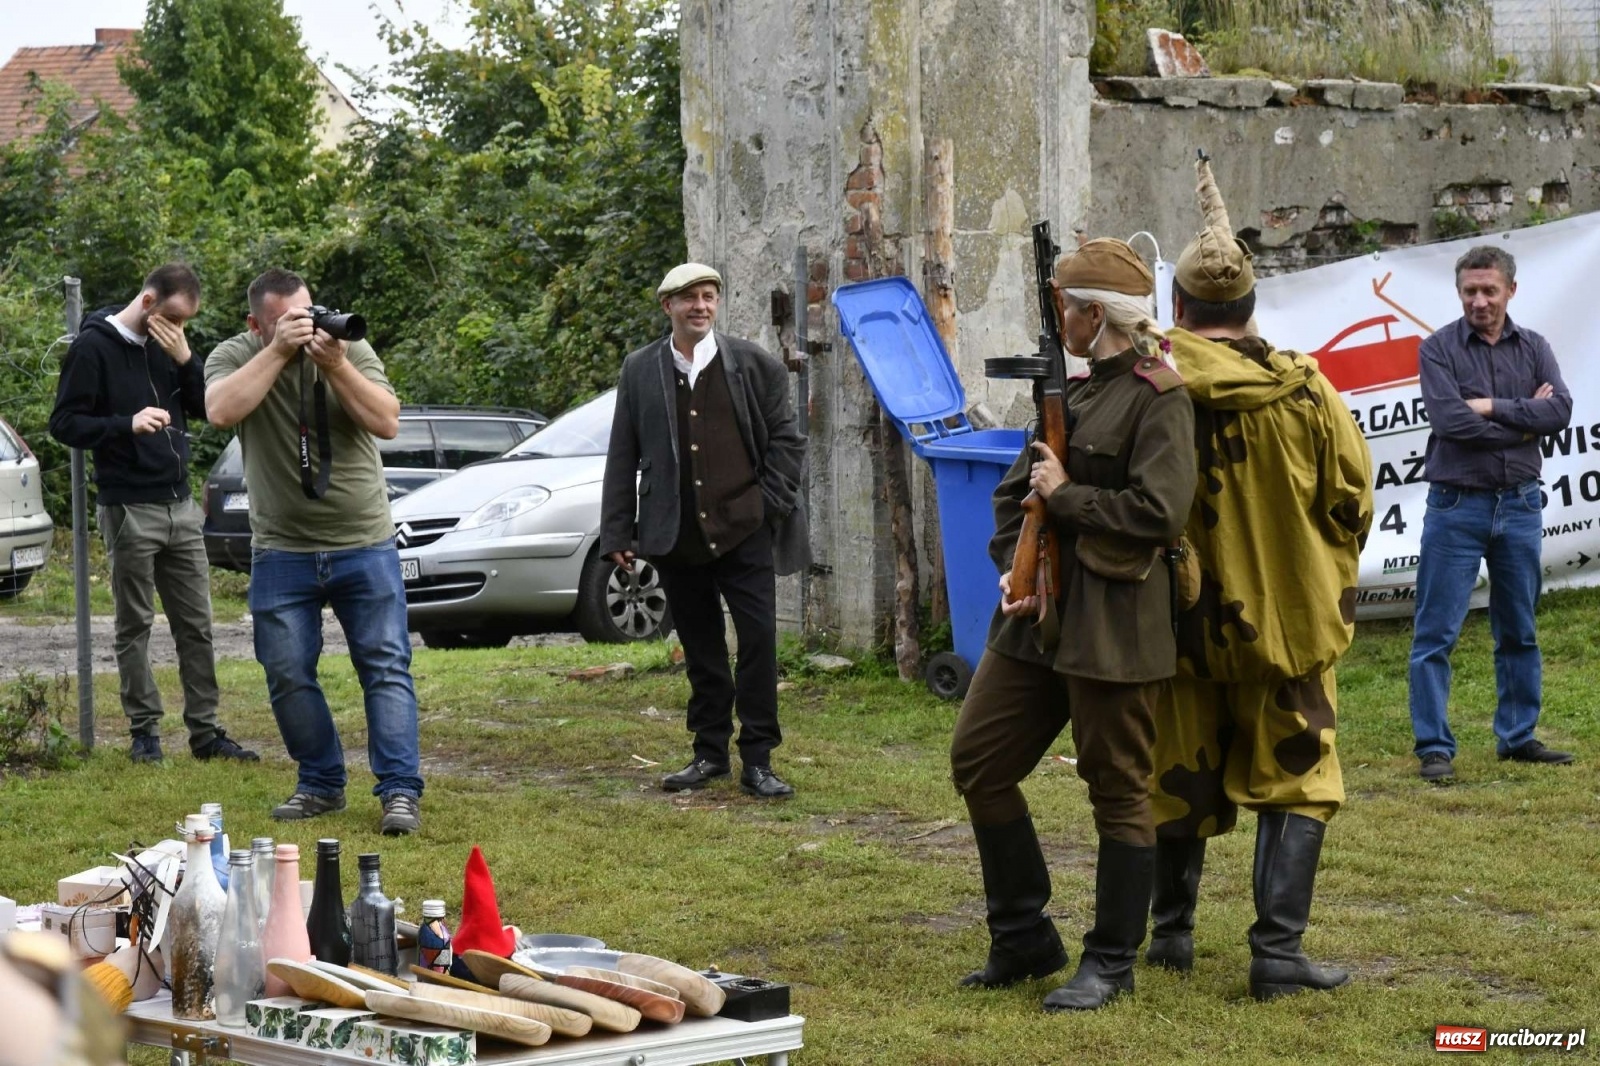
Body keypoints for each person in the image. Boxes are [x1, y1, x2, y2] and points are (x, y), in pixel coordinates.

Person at [1145, 154, 1373, 1002]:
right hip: (1288, 628)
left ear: (1178, 308)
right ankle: (1276, 954)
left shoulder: (1150, 385)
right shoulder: (1306, 393)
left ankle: (1170, 936)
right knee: (1298, 779)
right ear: (1248, 308)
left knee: (1176, 775)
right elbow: (1353, 501)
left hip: (1178, 630)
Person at [950, 238, 1196, 1012]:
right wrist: (1014, 567)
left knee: (1117, 788)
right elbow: (1013, 495)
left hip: (1116, 621)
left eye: (1067, 307)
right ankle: (1023, 936)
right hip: (1039, 616)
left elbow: (1160, 513)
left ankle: (1111, 962)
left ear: (1097, 314)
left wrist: (1068, 500)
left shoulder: (1160, 397)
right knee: (979, 760)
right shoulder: (1075, 393)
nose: (1060, 319)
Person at [204, 268, 423, 835]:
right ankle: (322, 783)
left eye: (308, 313)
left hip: (363, 540)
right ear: (256, 324)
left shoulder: (346, 346)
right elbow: (221, 411)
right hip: (282, 548)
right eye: (286, 321)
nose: (304, 326)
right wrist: (279, 351)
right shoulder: (234, 354)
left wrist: (337, 365)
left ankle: (400, 791)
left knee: (385, 666)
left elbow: (387, 421)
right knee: (285, 672)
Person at [600, 263, 809, 799]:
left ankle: (758, 759)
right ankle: (709, 753)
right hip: (677, 535)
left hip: (744, 531)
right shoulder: (639, 369)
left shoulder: (755, 365)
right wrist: (617, 531)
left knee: (758, 641)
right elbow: (623, 452)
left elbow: (788, 442)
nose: (700, 306)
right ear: (667, 305)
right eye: (689, 297)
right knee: (701, 647)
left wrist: (765, 506)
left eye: (709, 296)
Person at [48, 264, 258, 765]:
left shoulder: (171, 346)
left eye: (184, 322)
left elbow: (208, 409)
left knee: (197, 625)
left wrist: (186, 358)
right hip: (128, 506)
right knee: (135, 624)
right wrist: (127, 424)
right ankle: (145, 733)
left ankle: (206, 733)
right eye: (172, 318)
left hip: (180, 505)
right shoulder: (93, 347)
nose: (176, 328)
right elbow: (65, 423)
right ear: (147, 301)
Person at [1408, 245, 1574, 781]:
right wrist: (1525, 424)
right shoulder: (1437, 349)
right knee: (1436, 633)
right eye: (1470, 291)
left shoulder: (1535, 346)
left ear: (1510, 291)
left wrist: (1492, 407)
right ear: (1459, 292)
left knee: (1519, 628)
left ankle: (1518, 737)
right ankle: (1434, 748)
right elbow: (1450, 422)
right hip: (1456, 505)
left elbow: (1561, 410)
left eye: (1489, 290)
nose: (1479, 301)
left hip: (1520, 503)